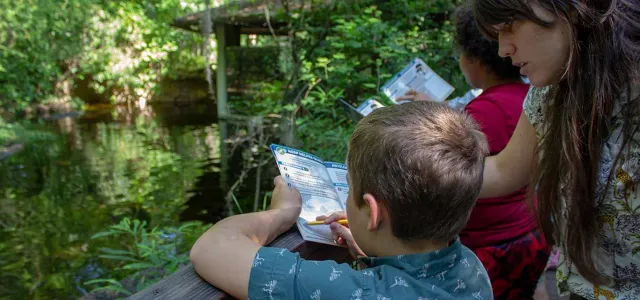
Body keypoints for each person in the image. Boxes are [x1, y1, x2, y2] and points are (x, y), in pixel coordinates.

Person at [189, 101, 494, 299]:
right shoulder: (470, 267)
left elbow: (211, 249)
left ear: (373, 214)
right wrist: (372, 253)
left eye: (349, 188)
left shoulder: (357, 293)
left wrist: (281, 213)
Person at [469, 0, 640, 298]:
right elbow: (503, 171)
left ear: (571, 6)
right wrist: (417, 170)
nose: (503, 49)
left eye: (510, 26)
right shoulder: (549, 90)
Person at [398, 6, 550, 299]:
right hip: (530, 231)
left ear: (476, 60)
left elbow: (458, 165)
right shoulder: (530, 95)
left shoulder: (483, 111)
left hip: (490, 242)